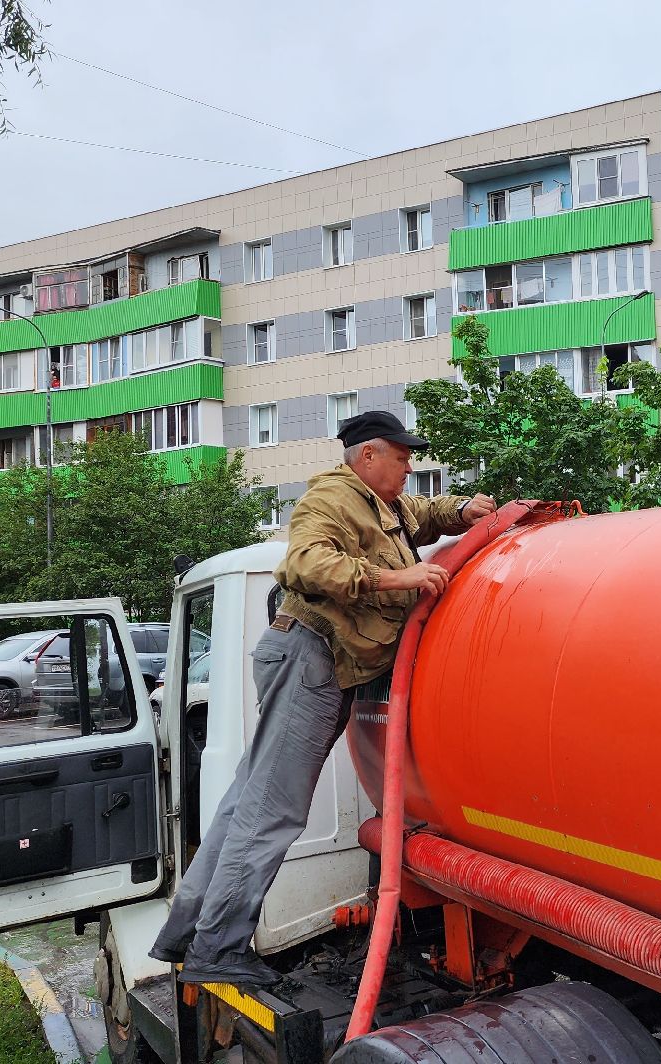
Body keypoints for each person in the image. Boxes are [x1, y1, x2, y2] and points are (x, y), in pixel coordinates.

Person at [150, 409, 496, 986]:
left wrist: (464, 511)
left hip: (318, 661)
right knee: (271, 811)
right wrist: (394, 580)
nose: (410, 465)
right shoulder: (332, 499)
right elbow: (304, 563)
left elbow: (426, 516)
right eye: (402, 454)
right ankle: (219, 949)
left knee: (246, 804)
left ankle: (187, 931)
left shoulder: (385, 505)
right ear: (367, 456)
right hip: (309, 656)